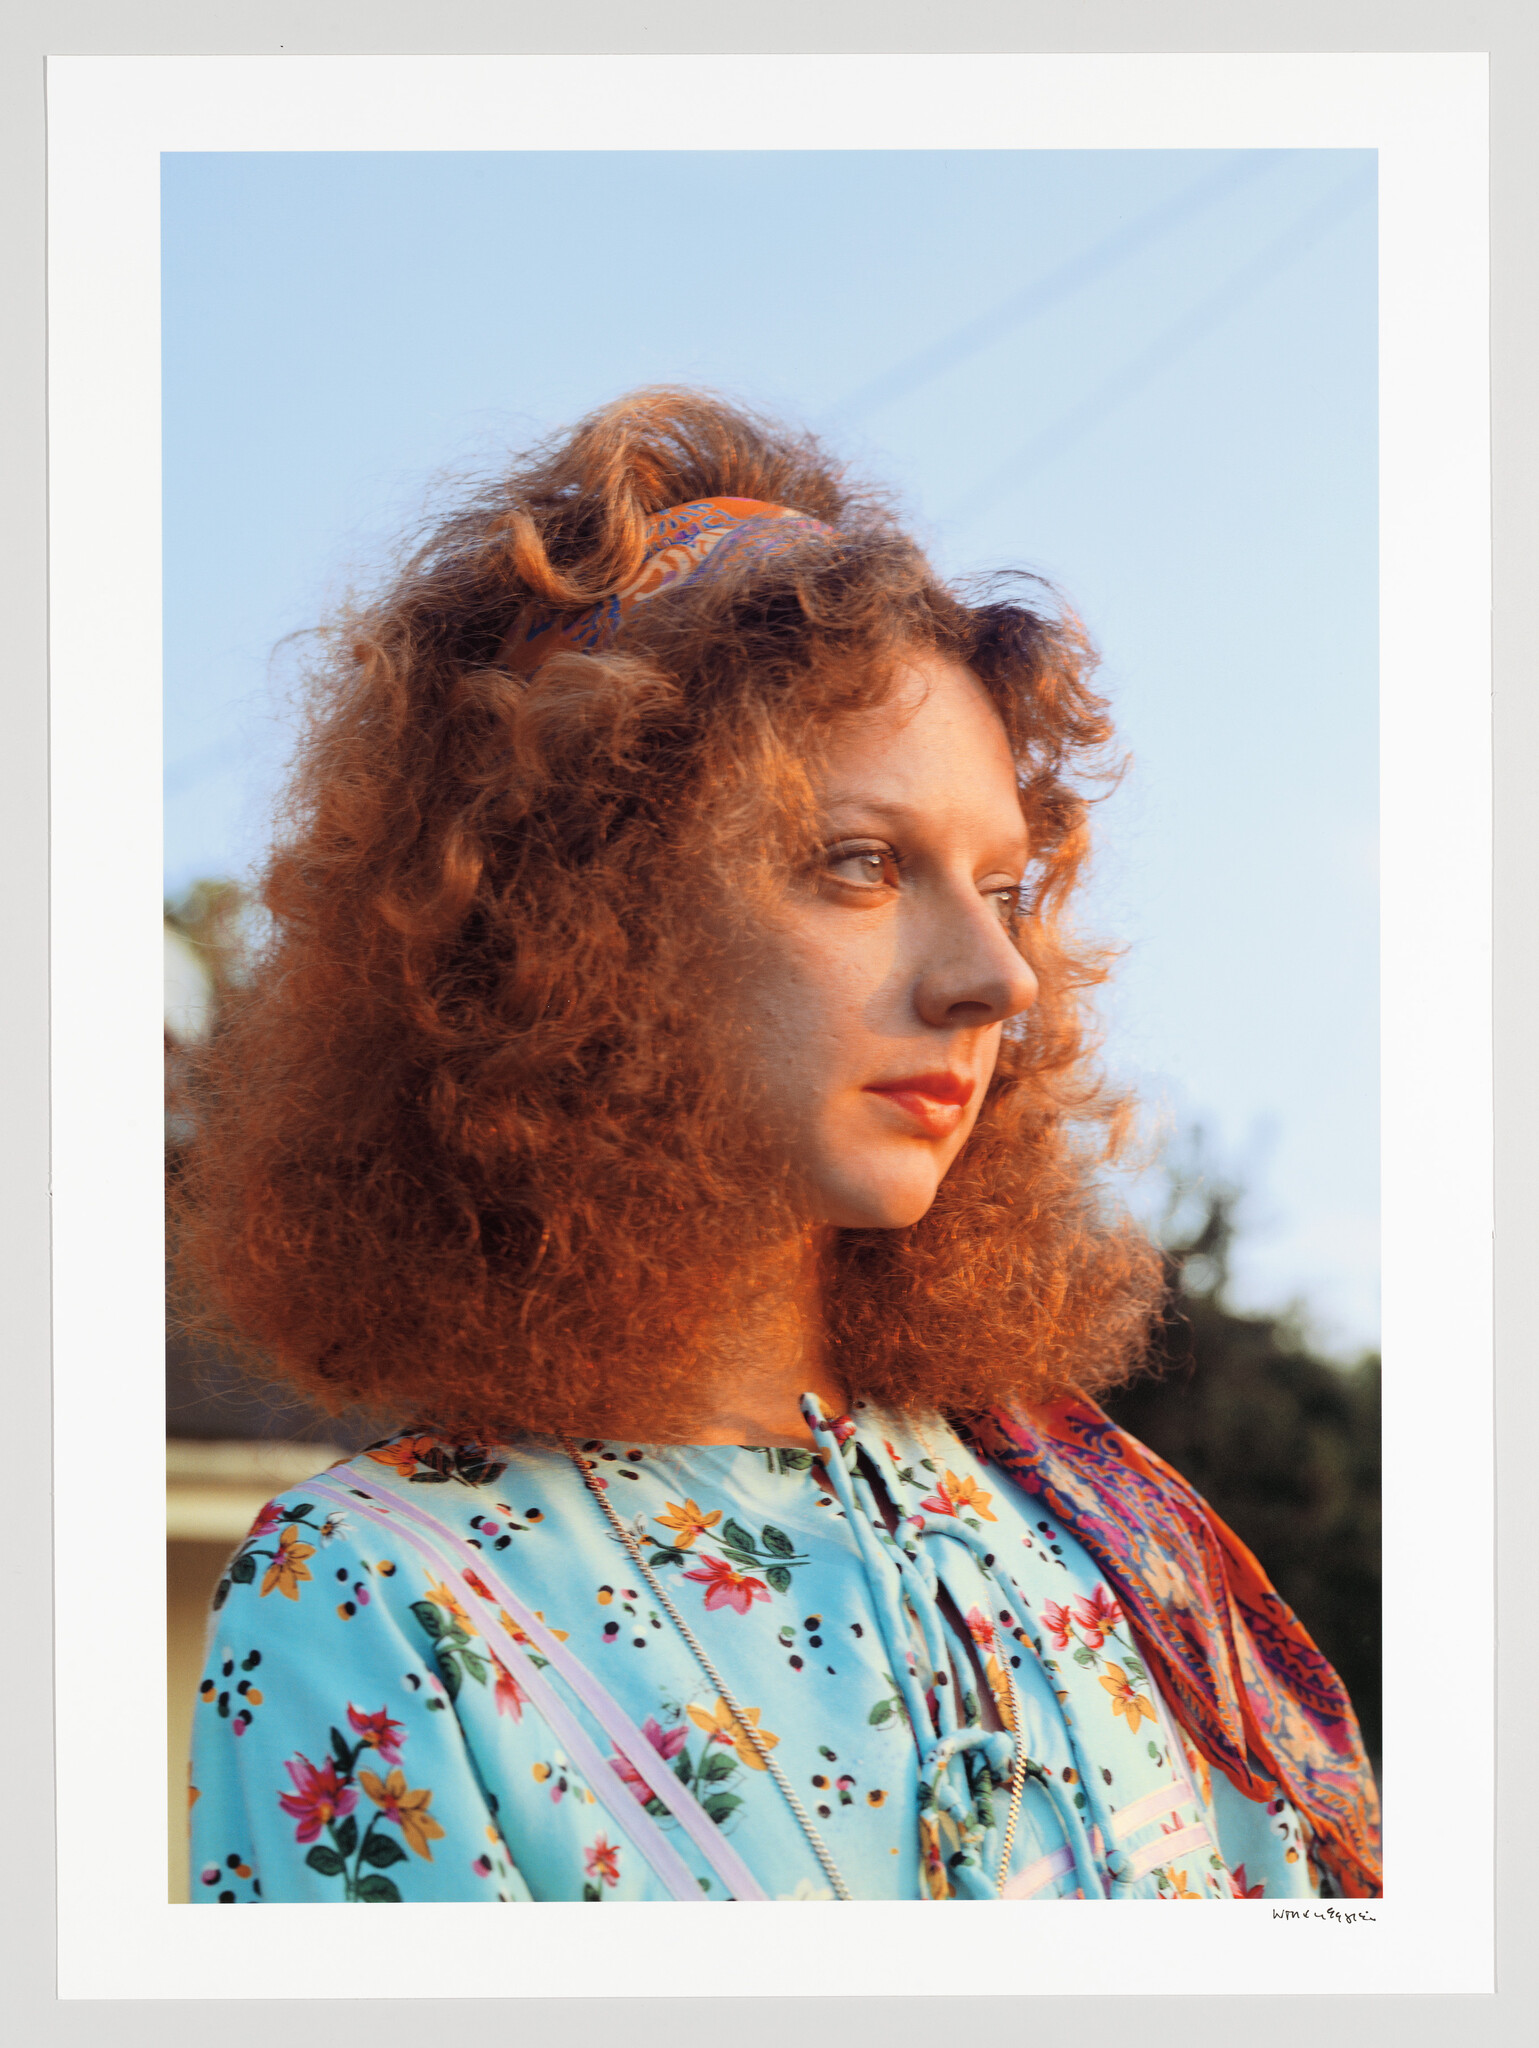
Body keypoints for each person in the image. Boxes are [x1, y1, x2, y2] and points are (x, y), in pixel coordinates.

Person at [179, 388, 1381, 1904]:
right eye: (862, 865)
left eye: (1006, 889)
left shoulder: (1108, 1530)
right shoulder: (381, 1604)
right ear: (575, 922)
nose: (995, 979)